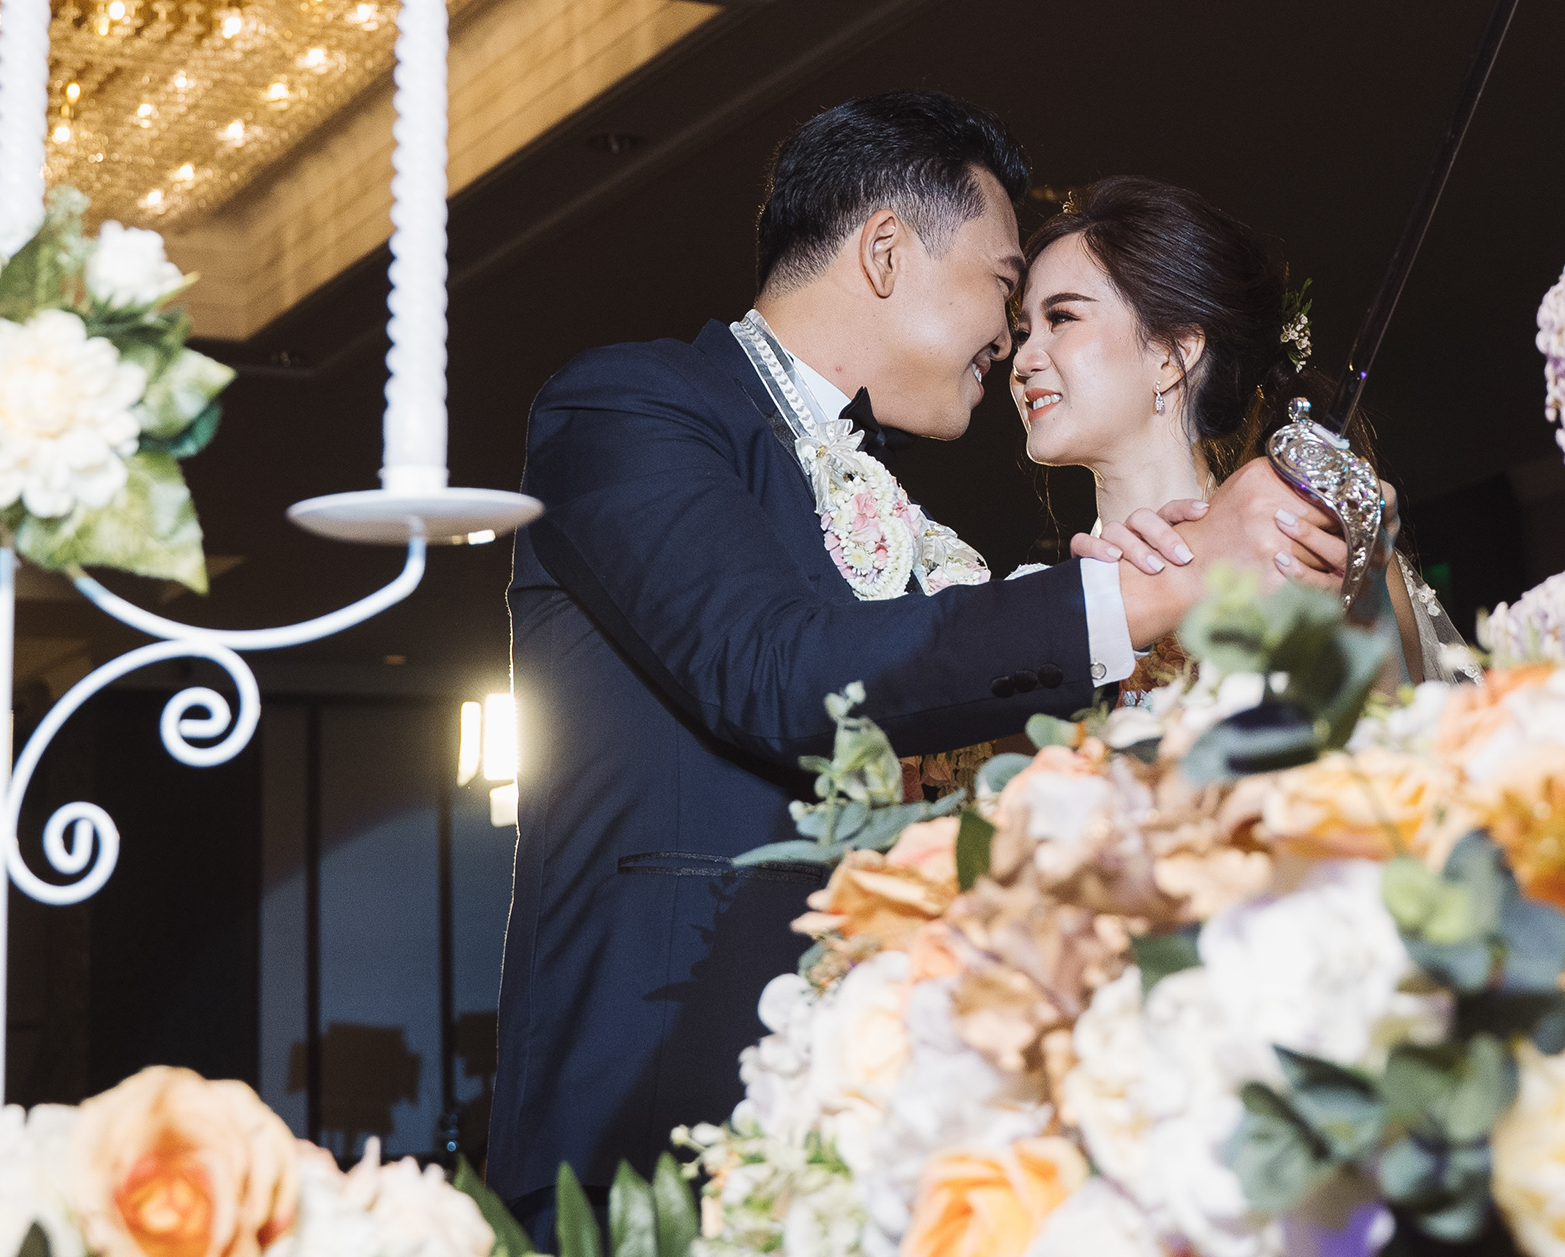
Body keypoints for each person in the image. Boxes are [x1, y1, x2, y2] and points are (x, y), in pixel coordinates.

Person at [483, 93, 1345, 1229]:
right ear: (887, 252)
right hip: (658, 1125)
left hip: (882, 1140)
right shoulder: (633, 406)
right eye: (1003, 287)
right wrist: (1145, 593)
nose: (1011, 341)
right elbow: (781, 671)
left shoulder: (921, 533)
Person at [1025, 175, 1479, 688]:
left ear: (1172, 354)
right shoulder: (1045, 615)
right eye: (1023, 331)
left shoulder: (1307, 548)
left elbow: (1396, 727)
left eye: (1061, 318)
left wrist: (1361, 600)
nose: (1022, 359)